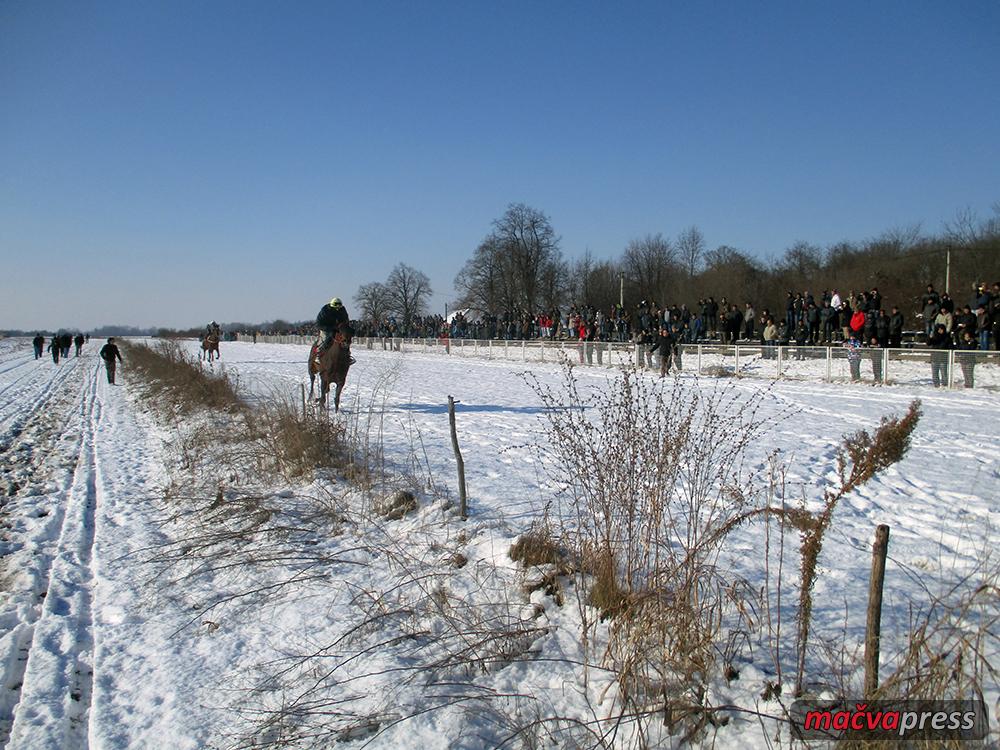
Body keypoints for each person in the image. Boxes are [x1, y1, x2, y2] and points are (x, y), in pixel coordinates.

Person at [927, 323, 952, 387]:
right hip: (935, 357)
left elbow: (949, 345)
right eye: (939, 329)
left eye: (941, 329)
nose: (940, 331)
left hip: (943, 357)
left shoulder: (947, 337)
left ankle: (945, 384)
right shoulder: (935, 336)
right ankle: (936, 384)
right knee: (935, 372)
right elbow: (928, 343)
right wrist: (930, 338)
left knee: (944, 372)